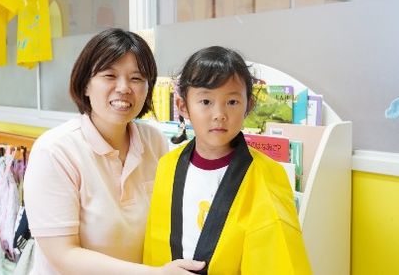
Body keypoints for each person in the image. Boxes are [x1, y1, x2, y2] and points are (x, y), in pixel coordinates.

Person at [24, 28, 205, 274]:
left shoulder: (154, 141)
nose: (124, 88)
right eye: (109, 75)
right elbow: (62, 254)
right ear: (85, 85)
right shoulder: (55, 151)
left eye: (137, 78)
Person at [143, 46, 312, 274]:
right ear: (183, 106)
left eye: (232, 102)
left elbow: (278, 259)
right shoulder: (168, 166)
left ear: (248, 105)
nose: (219, 114)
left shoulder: (267, 174)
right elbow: (155, 249)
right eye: (205, 102)